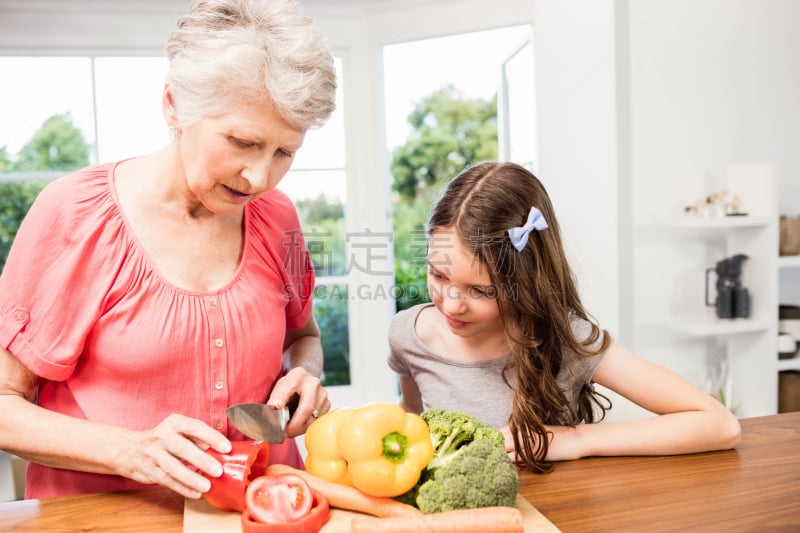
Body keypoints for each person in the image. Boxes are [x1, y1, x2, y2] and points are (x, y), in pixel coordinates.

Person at [0, 0, 336, 499]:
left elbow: (301, 333)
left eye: (284, 152)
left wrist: (306, 374)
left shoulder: (278, 216)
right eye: (242, 141)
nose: (260, 177)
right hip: (103, 517)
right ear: (174, 105)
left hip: (261, 507)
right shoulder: (75, 214)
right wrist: (130, 449)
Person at [388, 161, 742, 473]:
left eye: (481, 291)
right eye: (438, 274)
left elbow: (719, 424)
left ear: (523, 282)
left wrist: (576, 440)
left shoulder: (566, 341)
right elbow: (410, 417)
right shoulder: (408, 336)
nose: (450, 305)